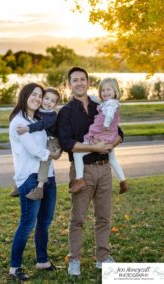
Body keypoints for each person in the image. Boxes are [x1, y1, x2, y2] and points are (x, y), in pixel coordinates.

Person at [57, 67, 124, 276]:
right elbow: (67, 143)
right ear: (69, 84)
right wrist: (95, 147)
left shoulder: (100, 105)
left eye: (82, 79)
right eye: (75, 80)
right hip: (82, 171)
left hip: (104, 169)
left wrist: (111, 143)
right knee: (78, 219)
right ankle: (74, 259)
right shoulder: (66, 112)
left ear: (87, 82)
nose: (79, 83)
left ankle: (102, 258)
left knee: (104, 218)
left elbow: (120, 132)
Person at [8, 83, 59, 281]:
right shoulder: (18, 121)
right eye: (34, 95)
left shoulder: (38, 118)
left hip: (48, 176)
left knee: (44, 222)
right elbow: (35, 150)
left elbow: (50, 139)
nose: (38, 99)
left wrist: (55, 149)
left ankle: (42, 260)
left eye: (41, 95)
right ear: (25, 95)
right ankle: (14, 268)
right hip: (29, 177)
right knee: (27, 223)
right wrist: (53, 154)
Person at [72, 78, 128, 194]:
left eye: (108, 90)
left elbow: (109, 115)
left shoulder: (111, 105)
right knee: (112, 159)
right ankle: (123, 181)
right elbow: (99, 102)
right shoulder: (108, 102)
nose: (105, 92)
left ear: (115, 91)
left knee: (77, 153)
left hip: (102, 135)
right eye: (103, 90)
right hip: (110, 136)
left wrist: (106, 124)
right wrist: (91, 97)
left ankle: (79, 180)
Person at [16, 87, 61, 200]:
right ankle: (20, 183)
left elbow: (41, 125)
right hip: (44, 139)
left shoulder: (52, 116)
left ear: (55, 104)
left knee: (44, 161)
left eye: (52, 101)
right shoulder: (38, 111)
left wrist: (27, 128)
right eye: (46, 98)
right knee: (30, 157)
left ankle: (40, 188)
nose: (48, 102)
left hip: (53, 141)